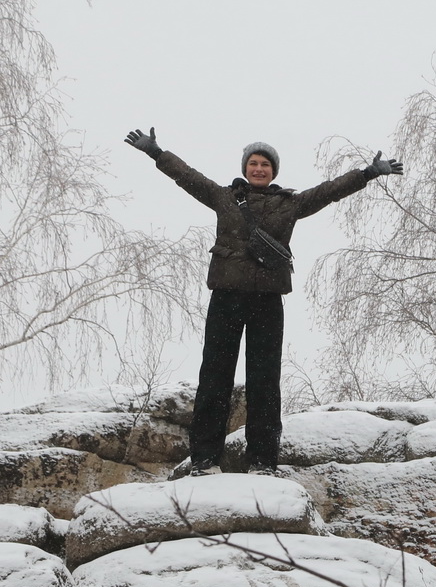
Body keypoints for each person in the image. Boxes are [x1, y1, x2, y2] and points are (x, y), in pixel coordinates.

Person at [124, 129, 402, 474]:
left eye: (265, 164)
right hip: (226, 297)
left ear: (273, 171)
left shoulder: (290, 204)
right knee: (214, 378)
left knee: (265, 383)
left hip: (267, 301)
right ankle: (205, 459)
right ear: (245, 168)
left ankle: (262, 461)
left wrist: (368, 173)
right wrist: (156, 153)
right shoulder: (224, 197)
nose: (258, 168)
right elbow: (188, 177)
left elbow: (329, 191)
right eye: (253, 163)